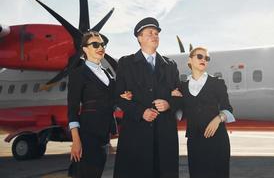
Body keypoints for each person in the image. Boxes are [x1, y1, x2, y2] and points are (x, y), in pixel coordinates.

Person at [113, 17, 180, 178]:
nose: (155, 35)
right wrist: (141, 111)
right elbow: (118, 96)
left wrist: (169, 103)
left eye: (157, 33)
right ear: (139, 37)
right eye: (150, 33)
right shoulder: (126, 63)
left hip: (164, 134)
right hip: (136, 133)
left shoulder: (170, 65)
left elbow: (180, 96)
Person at [172, 47, 235, 178]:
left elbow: (228, 108)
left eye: (207, 58)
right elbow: (181, 113)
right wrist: (173, 100)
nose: (204, 60)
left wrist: (218, 119)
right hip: (194, 141)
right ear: (190, 60)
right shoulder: (182, 86)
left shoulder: (217, 83)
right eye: (200, 56)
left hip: (217, 139)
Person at [67, 31, 116, 178]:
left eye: (102, 44)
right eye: (95, 44)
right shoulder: (78, 73)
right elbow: (73, 108)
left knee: (96, 173)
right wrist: (76, 141)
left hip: (104, 134)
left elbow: (113, 99)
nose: (101, 47)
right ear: (85, 49)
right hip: (87, 134)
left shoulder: (108, 73)